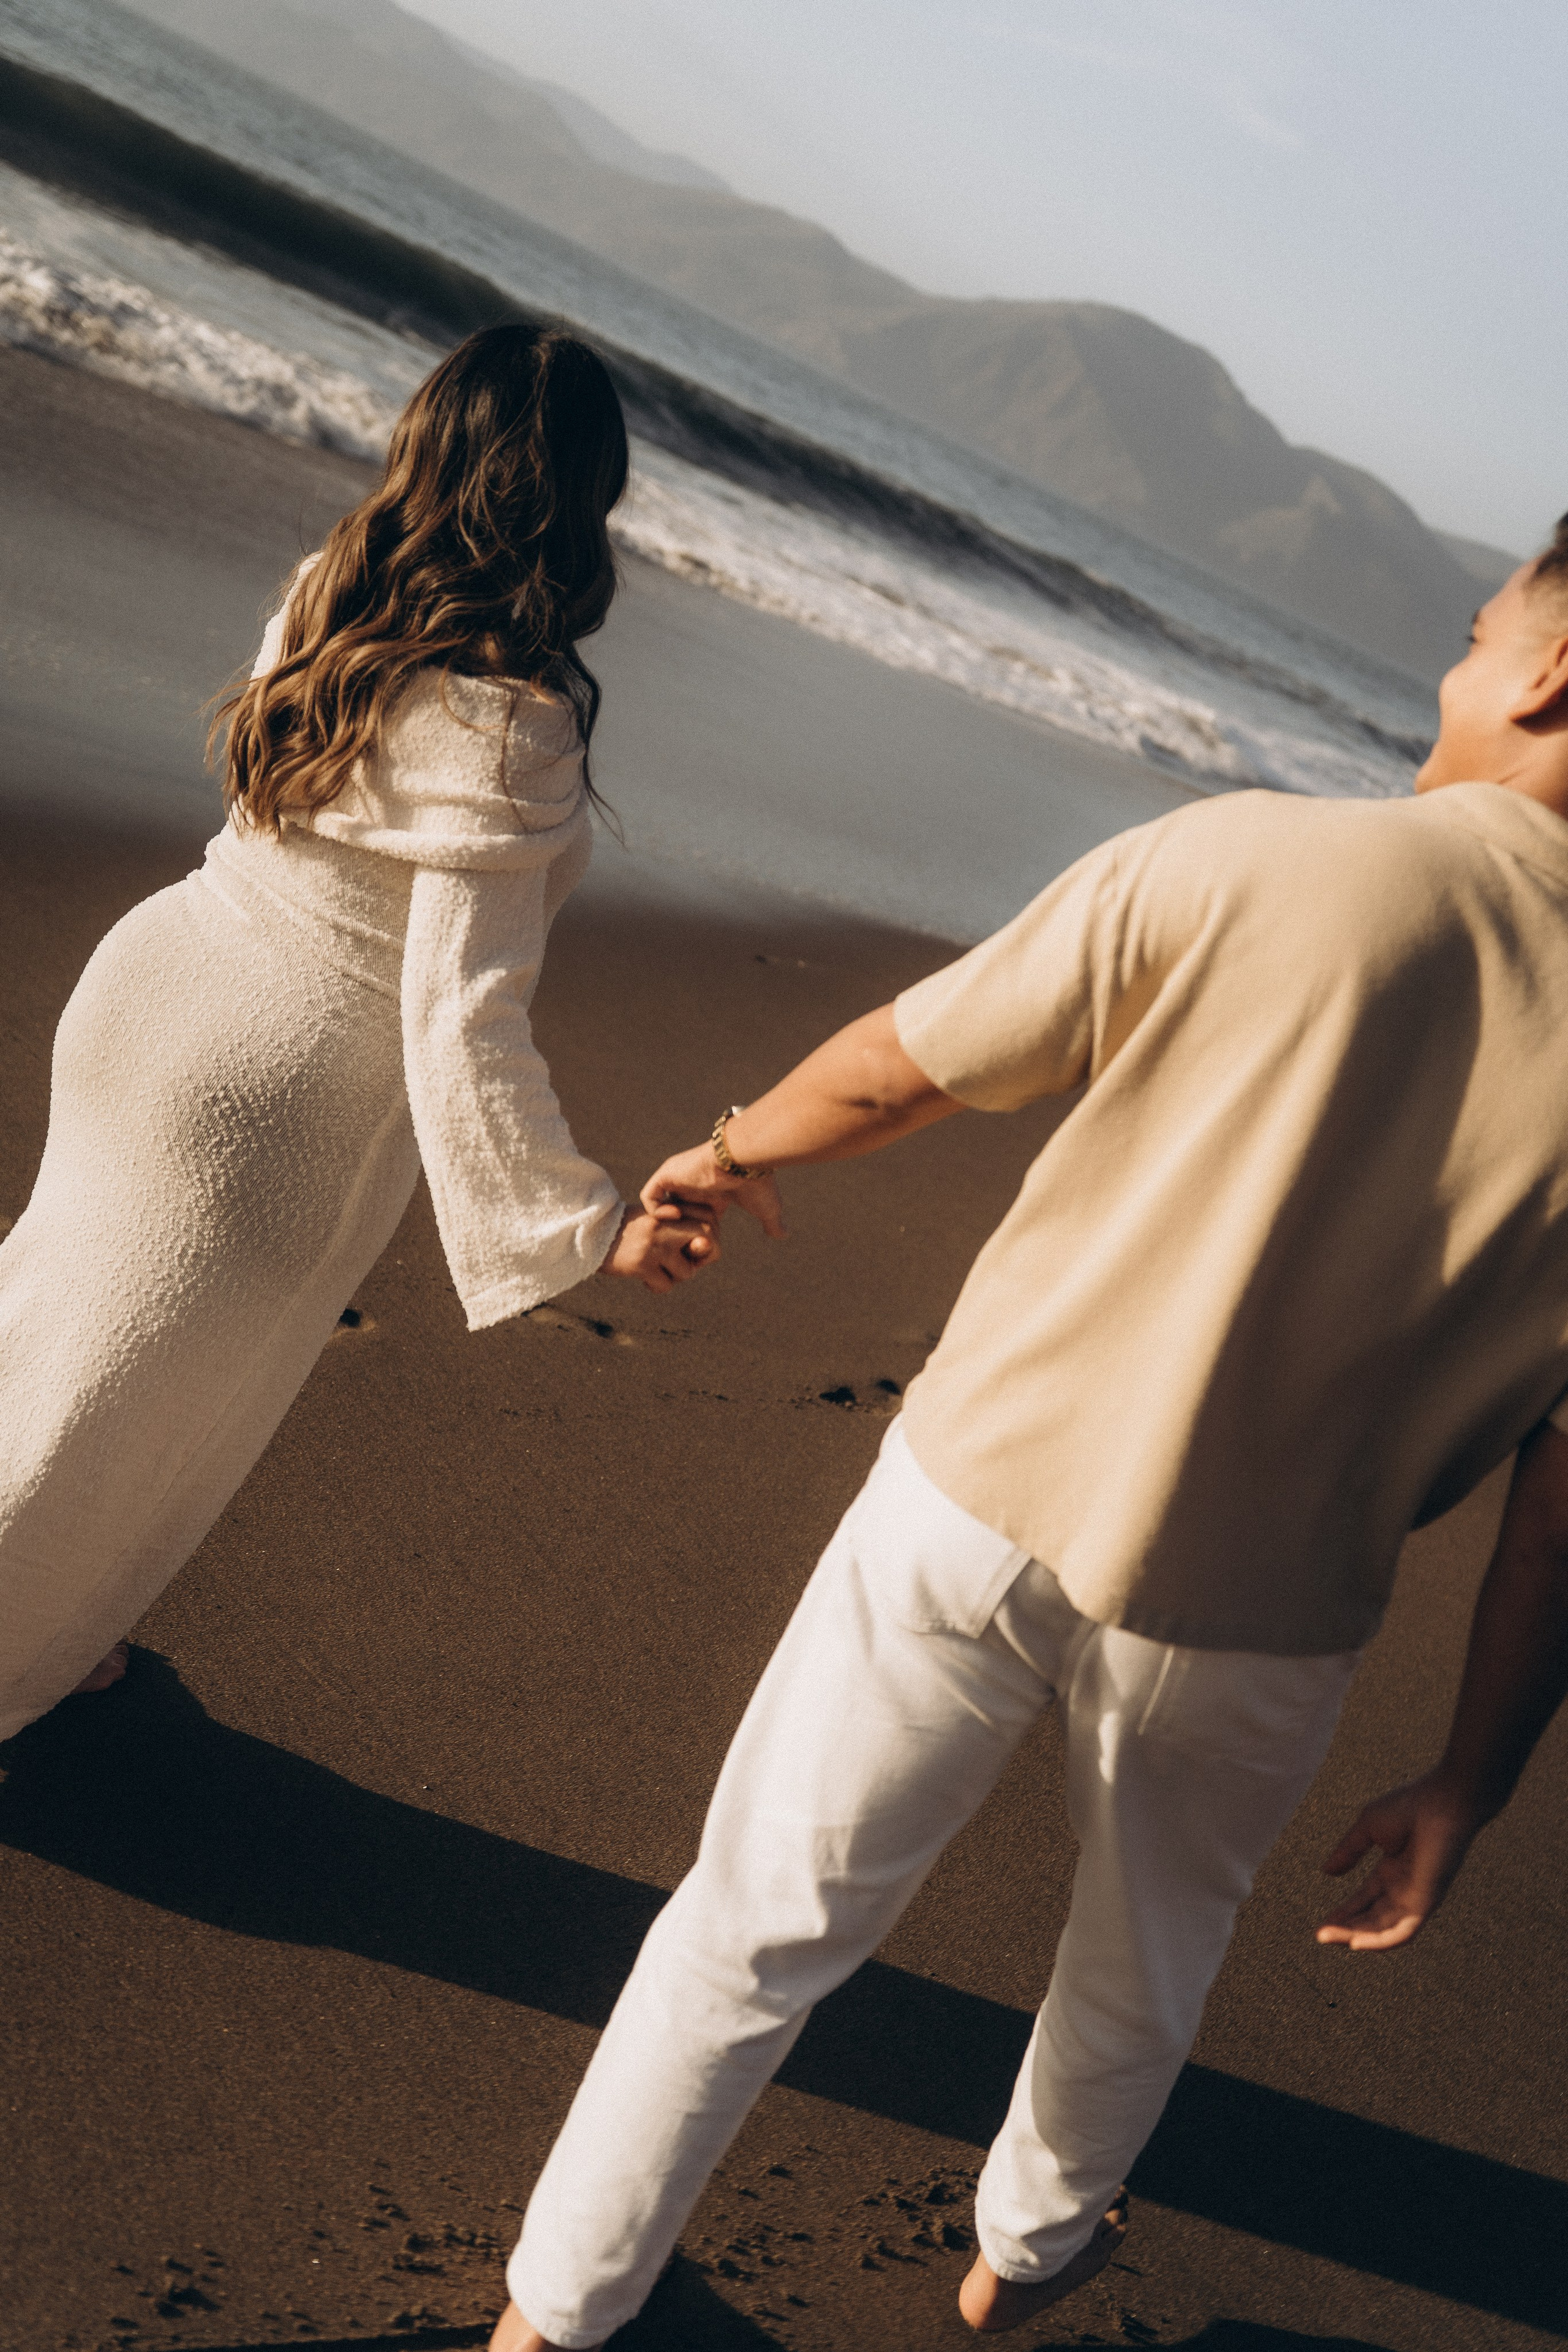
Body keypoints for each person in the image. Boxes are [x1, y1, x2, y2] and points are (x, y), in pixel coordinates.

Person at [488, 514, 1568, 2349]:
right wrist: (1474, 1777)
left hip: (975, 1499)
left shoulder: (1261, 858)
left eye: (1476, 641)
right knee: (1141, 1972)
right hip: (1264, 1614)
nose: (1452, 676)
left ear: (1552, 673)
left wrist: (728, 1151)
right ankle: (1017, 2266)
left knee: (753, 1930)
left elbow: (907, 1065)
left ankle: (553, 2327)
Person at [0, 323, 716, 1744]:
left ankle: (60, 1620)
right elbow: (462, 1017)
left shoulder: (342, 586)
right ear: (585, 499)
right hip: (276, 1097)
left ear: (429, 441)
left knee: (45, 1323)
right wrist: (589, 1223)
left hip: (156, 987)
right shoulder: (516, 723)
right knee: (127, 1401)